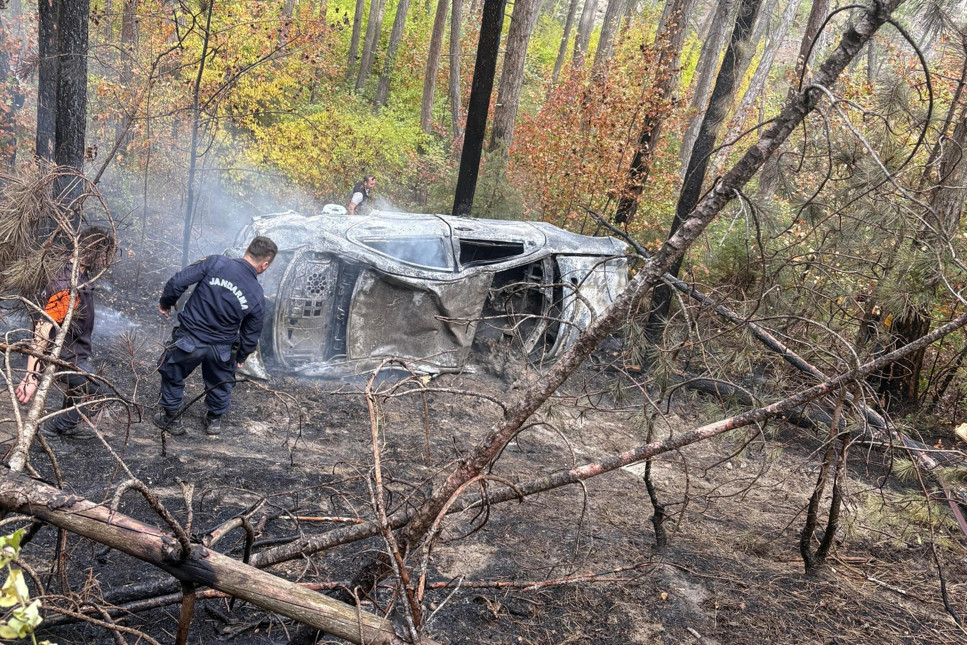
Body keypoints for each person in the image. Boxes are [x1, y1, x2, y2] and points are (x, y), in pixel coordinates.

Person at [154, 236, 277, 436]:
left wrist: (166, 302)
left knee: (172, 372)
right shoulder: (256, 292)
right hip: (222, 348)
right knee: (220, 382)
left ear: (247, 250)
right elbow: (252, 330)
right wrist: (242, 355)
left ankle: (172, 419)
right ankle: (214, 421)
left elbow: (178, 281)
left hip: (190, 340)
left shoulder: (216, 262)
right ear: (264, 265)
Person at [15, 226, 117, 440]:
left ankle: (65, 426)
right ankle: (53, 427)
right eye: (104, 255)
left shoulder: (77, 273)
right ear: (91, 252)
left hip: (75, 351)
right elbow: (43, 330)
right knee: (104, 394)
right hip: (65, 356)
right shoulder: (66, 286)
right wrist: (30, 376)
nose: (106, 262)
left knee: (80, 385)